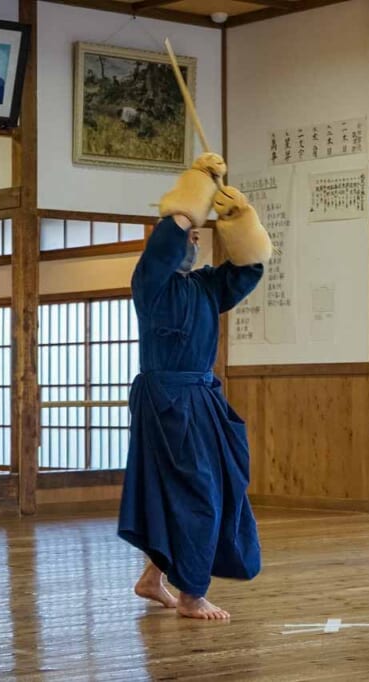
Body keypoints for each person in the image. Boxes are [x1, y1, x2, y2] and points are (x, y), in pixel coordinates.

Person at [118, 152, 274, 620]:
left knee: (197, 490)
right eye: (185, 234)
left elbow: (249, 269)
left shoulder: (206, 286)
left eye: (195, 235)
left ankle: (153, 577)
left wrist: (238, 216)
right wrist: (200, 183)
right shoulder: (151, 282)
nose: (190, 239)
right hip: (167, 400)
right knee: (198, 493)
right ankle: (191, 593)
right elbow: (168, 234)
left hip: (201, 398)